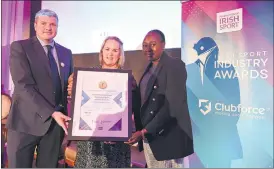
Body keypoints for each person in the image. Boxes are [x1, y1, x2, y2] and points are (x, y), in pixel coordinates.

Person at [7, 9, 73, 168]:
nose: (48, 27)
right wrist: (51, 112)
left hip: (54, 126)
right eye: (43, 23)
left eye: (53, 24)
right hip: (25, 124)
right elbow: (23, 86)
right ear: (35, 25)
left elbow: (66, 86)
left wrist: (72, 89)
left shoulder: (66, 53)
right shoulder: (20, 47)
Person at [126, 29, 194, 168]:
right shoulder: (149, 67)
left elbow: (173, 106)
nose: (148, 49)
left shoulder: (174, 65)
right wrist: (133, 89)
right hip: (150, 138)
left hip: (168, 138)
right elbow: (145, 101)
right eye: (145, 45)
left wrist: (144, 131)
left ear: (163, 44)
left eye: (153, 44)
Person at [68, 36, 138, 168]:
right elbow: (79, 104)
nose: (110, 53)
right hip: (91, 140)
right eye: (107, 49)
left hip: (116, 138)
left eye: (115, 50)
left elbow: (132, 109)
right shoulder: (87, 76)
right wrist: (74, 91)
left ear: (120, 54)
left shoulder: (128, 79)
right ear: (102, 51)